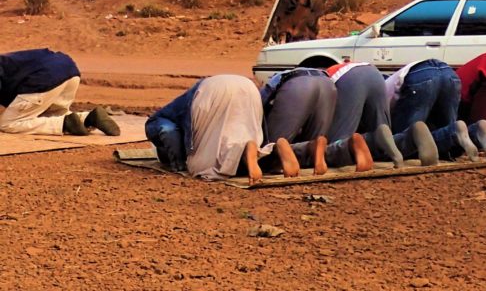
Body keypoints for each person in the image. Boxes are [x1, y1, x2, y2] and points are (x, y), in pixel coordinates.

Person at [146, 74, 300, 184]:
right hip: (247, 86)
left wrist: (178, 164)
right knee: (238, 136)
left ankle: (246, 152)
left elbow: (167, 130)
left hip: (212, 90)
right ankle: (271, 150)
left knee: (204, 163)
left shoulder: (163, 117)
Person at [0, 48, 119, 136]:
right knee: (47, 114)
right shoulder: (6, 61)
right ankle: (88, 118)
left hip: (44, 78)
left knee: (8, 123)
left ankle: (64, 124)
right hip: (69, 71)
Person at [382, 59, 482, 164]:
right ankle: (475, 132)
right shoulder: (388, 81)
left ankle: (458, 132)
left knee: (406, 142)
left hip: (421, 76)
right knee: (446, 139)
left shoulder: (380, 90)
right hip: (449, 73)